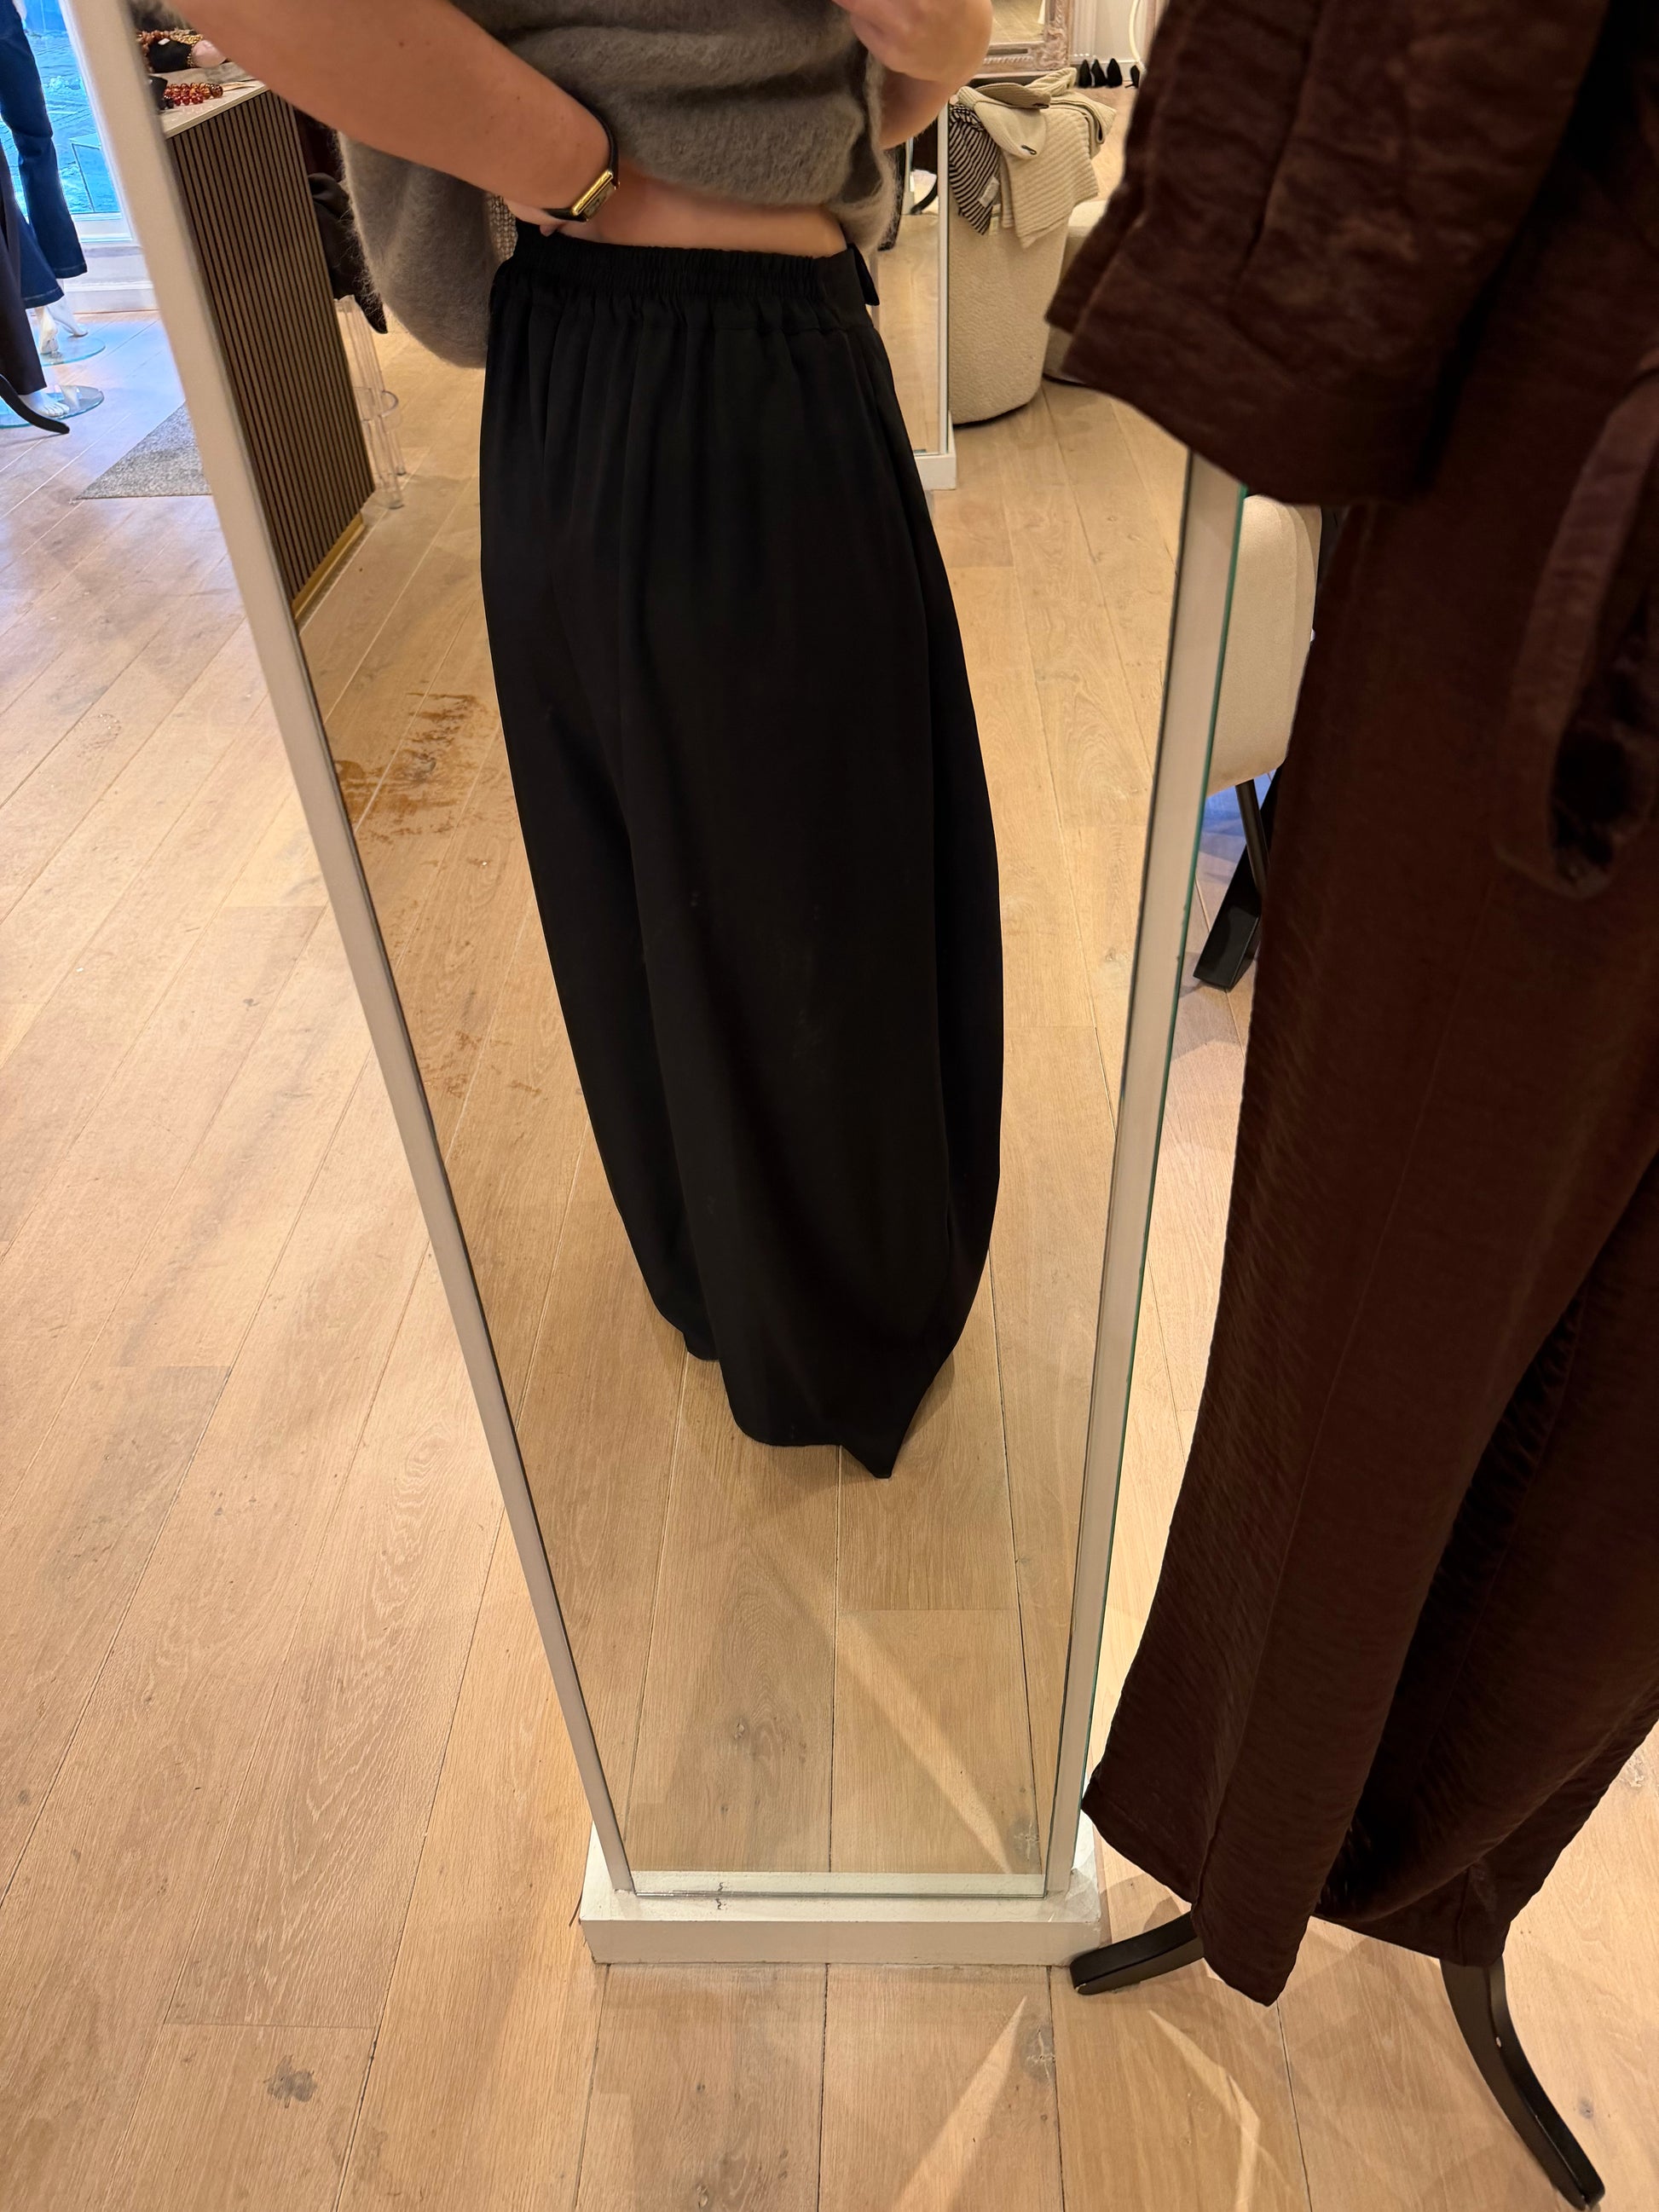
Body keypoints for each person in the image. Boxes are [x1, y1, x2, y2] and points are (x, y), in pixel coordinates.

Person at [188, 0, 1004, 1478]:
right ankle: (813, 1327)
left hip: (634, 349)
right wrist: (575, 159)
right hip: (704, 366)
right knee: (805, 897)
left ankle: (742, 1284)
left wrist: (897, 68)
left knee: (684, 888)